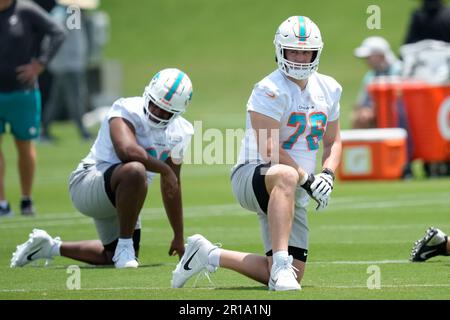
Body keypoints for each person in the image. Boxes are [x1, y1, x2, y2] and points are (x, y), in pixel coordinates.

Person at [171, 16, 342, 291]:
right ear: (280, 51)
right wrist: (308, 180)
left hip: (292, 187)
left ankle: (207, 254)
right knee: (285, 175)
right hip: (254, 174)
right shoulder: (269, 89)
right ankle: (281, 267)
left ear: (316, 52)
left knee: (292, 276)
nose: (299, 58)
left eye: (305, 51)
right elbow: (270, 148)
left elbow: (333, 141)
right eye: (293, 51)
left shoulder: (329, 88)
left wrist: (328, 175)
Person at [10, 68, 194, 269]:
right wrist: (165, 169)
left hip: (124, 197)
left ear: (177, 113)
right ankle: (125, 246)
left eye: (165, 111)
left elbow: (172, 186)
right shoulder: (125, 108)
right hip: (88, 183)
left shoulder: (181, 131)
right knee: (135, 170)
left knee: (110, 256)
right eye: (154, 105)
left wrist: (178, 235)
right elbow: (127, 151)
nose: (157, 113)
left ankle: (49, 247)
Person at [0, 0, 65, 217]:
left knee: (24, 147)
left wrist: (40, 64)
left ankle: (26, 199)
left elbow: (58, 32)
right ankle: (1, 204)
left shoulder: (25, 10)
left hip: (23, 93)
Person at [404, 0, 450, 177]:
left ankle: (431, 161)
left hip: (423, 86)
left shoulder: (418, 16)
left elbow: (407, 47)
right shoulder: (445, 15)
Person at [41, 0, 97, 142]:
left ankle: (44, 130)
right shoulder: (70, 13)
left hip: (67, 62)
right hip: (70, 63)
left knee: (57, 99)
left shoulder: (65, 13)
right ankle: (83, 132)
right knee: (76, 98)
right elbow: (64, 36)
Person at [351, 36, 402, 129]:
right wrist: (363, 112)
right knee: (358, 117)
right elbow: (361, 104)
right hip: (376, 115)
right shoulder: (370, 76)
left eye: (368, 57)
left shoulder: (401, 71)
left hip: (396, 114)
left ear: (380, 56)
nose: (366, 61)